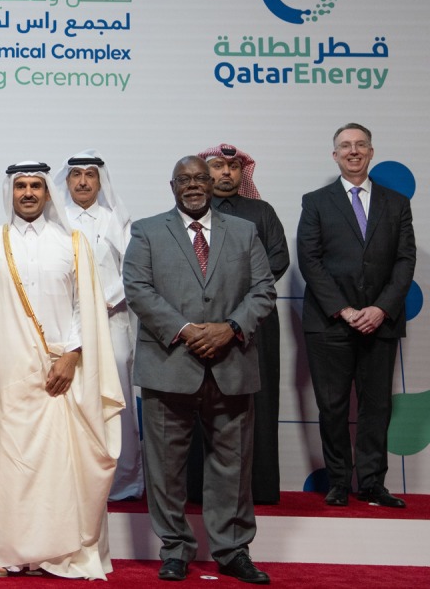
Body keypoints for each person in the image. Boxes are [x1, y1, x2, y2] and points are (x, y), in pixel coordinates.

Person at [0, 161, 123, 579]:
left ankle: (55, 551)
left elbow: (87, 307)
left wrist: (72, 356)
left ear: (47, 194)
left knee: (55, 467)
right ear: (10, 192)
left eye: (36, 186)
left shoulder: (73, 243)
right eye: (21, 186)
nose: (28, 193)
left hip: (57, 379)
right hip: (2, 379)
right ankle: (3, 550)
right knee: (5, 465)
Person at [124, 156, 275, 584]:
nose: (193, 185)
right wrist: (188, 330)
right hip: (169, 367)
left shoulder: (244, 232)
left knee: (233, 466)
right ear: (172, 186)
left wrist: (229, 329)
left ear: (213, 184)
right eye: (184, 180)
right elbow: (138, 289)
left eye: (200, 179)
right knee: (165, 469)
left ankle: (232, 550)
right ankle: (175, 548)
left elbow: (264, 289)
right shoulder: (147, 231)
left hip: (232, 365)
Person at [297, 123, 415, 509]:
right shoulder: (315, 201)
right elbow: (309, 261)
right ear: (335, 155)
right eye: (345, 146)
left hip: (381, 322)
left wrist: (380, 308)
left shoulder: (397, 203)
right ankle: (336, 482)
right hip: (330, 322)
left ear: (371, 151)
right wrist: (345, 310)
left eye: (360, 144)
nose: (353, 151)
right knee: (331, 406)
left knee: (376, 405)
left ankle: (372, 484)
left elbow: (404, 261)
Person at [188, 144, 289, 505]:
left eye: (233, 166)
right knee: (198, 401)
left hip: (254, 323)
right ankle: (199, 490)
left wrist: (237, 304)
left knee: (256, 404)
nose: (227, 173)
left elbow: (278, 259)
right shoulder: (192, 212)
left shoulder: (261, 212)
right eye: (218, 166)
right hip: (200, 325)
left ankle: (258, 490)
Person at [55, 149, 143, 501]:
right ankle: (73, 482)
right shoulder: (57, 219)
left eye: (90, 175)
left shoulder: (116, 219)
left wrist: (102, 299)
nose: (83, 181)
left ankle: (124, 482)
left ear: (100, 180)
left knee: (116, 399)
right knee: (72, 399)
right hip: (67, 325)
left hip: (112, 318)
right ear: (66, 181)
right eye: (76, 175)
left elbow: (132, 268)